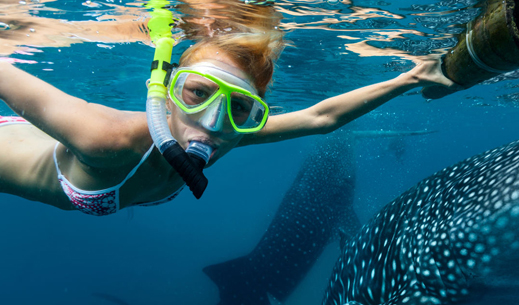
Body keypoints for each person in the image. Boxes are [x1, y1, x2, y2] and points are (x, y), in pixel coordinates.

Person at [0, 3, 455, 216]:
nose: (212, 125)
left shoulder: (232, 133)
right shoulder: (105, 137)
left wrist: (409, 78)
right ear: (164, 90)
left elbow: (322, 119)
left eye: (241, 107)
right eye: (196, 93)